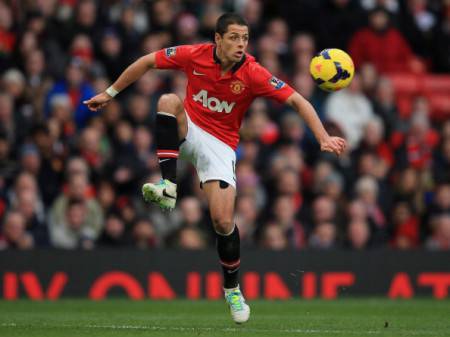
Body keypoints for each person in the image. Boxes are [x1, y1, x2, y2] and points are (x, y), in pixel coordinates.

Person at [84, 13, 346, 324]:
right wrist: (110, 93)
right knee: (168, 100)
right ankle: (168, 186)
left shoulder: (253, 72)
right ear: (217, 39)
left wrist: (323, 137)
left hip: (221, 146)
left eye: (245, 38)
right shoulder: (195, 54)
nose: (241, 44)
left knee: (223, 221)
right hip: (191, 127)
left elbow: (298, 101)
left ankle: (232, 289)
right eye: (234, 37)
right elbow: (147, 61)